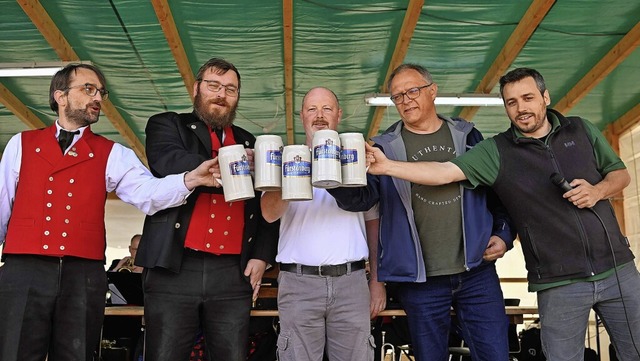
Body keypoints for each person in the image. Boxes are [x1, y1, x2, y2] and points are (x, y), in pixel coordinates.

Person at [363, 67, 640, 361]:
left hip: (616, 269)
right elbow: (445, 171)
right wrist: (386, 167)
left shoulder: (581, 129)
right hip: (557, 282)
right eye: (511, 102)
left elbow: (620, 175)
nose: (521, 108)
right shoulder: (496, 150)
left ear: (545, 97)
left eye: (528, 98)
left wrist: (597, 191)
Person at [0, 63, 220, 361]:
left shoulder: (112, 152)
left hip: (83, 275)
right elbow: (2, 208)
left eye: (101, 92)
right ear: (60, 96)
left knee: (78, 354)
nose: (98, 98)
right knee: (15, 352)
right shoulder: (21, 144)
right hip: (23, 270)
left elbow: (148, 194)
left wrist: (191, 178)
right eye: (87, 89)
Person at [327, 64, 517, 361]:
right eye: (397, 96)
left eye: (412, 91)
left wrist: (503, 234)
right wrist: (332, 177)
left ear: (432, 91)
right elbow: (361, 201)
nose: (406, 100)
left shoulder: (467, 136)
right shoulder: (383, 147)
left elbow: (498, 190)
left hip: (476, 273)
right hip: (419, 281)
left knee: (496, 356)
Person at [136, 57, 279, 361]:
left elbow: (267, 204)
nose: (221, 94)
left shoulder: (249, 141)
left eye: (230, 89)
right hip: (175, 267)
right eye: (213, 85)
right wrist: (231, 166)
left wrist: (262, 255)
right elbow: (166, 163)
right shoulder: (168, 124)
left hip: (232, 272)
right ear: (196, 89)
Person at [260, 87, 383, 361]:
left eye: (327, 109)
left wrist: (376, 281)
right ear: (302, 115)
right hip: (298, 282)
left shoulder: (357, 159)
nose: (319, 116)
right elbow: (268, 214)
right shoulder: (287, 158)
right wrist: (293, 173)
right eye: (312, 109)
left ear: (338, 115)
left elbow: (373, 222)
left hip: (352, 281)